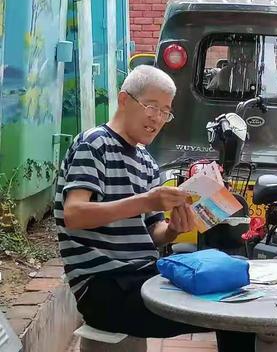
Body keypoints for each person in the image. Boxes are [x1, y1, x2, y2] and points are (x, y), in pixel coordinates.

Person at [54, 64, 254, 351]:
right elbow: (74, 214)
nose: (158, 118)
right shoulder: (94, 143)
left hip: (146, 276)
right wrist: (147, 200)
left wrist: (173, 229)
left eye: (165, 111)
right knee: (233, 315)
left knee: (239, 302)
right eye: (152, 106)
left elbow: (153, 232)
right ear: (124, 100)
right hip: (103, 285)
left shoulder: (147, 162)